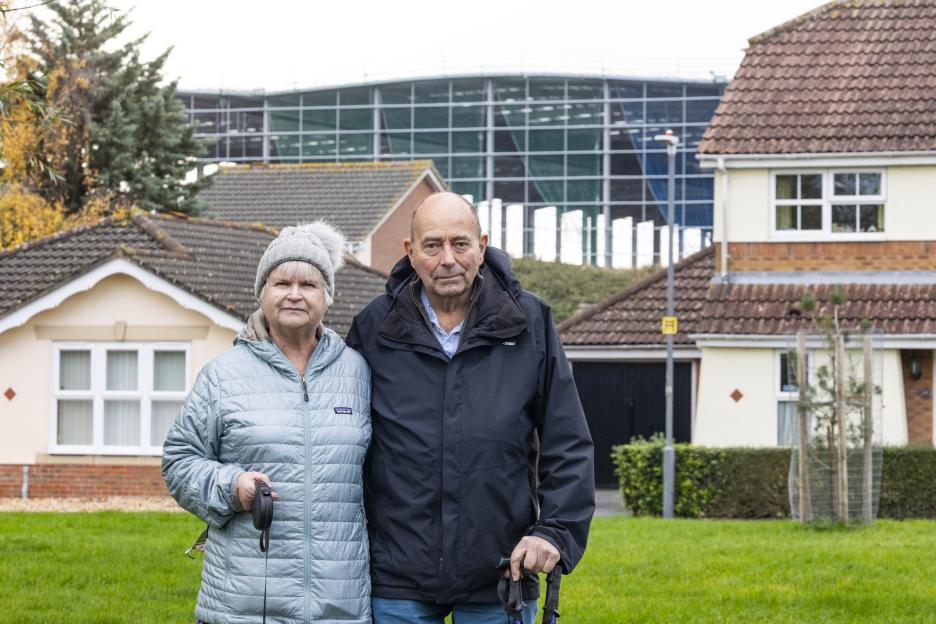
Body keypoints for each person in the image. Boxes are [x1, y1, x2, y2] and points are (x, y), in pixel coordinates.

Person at [347, 192, 594, 623]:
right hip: (396, 577)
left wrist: (555, 532)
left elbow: (567, 442)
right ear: (410, 252)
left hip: (501, 572)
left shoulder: (529, 322)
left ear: (482, 246)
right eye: (432, 245)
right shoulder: (373, 328)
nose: (447, 259)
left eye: (460, 244)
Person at [162, 221, 372, 624]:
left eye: (309, 285)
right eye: (281, 283)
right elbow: (179, 460)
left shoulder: (358, 372)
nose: (294, 294)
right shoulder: (223, 374)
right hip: (242, 605)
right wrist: (231, 487)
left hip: (341, 605)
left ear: (327, 297)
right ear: (262, 293)